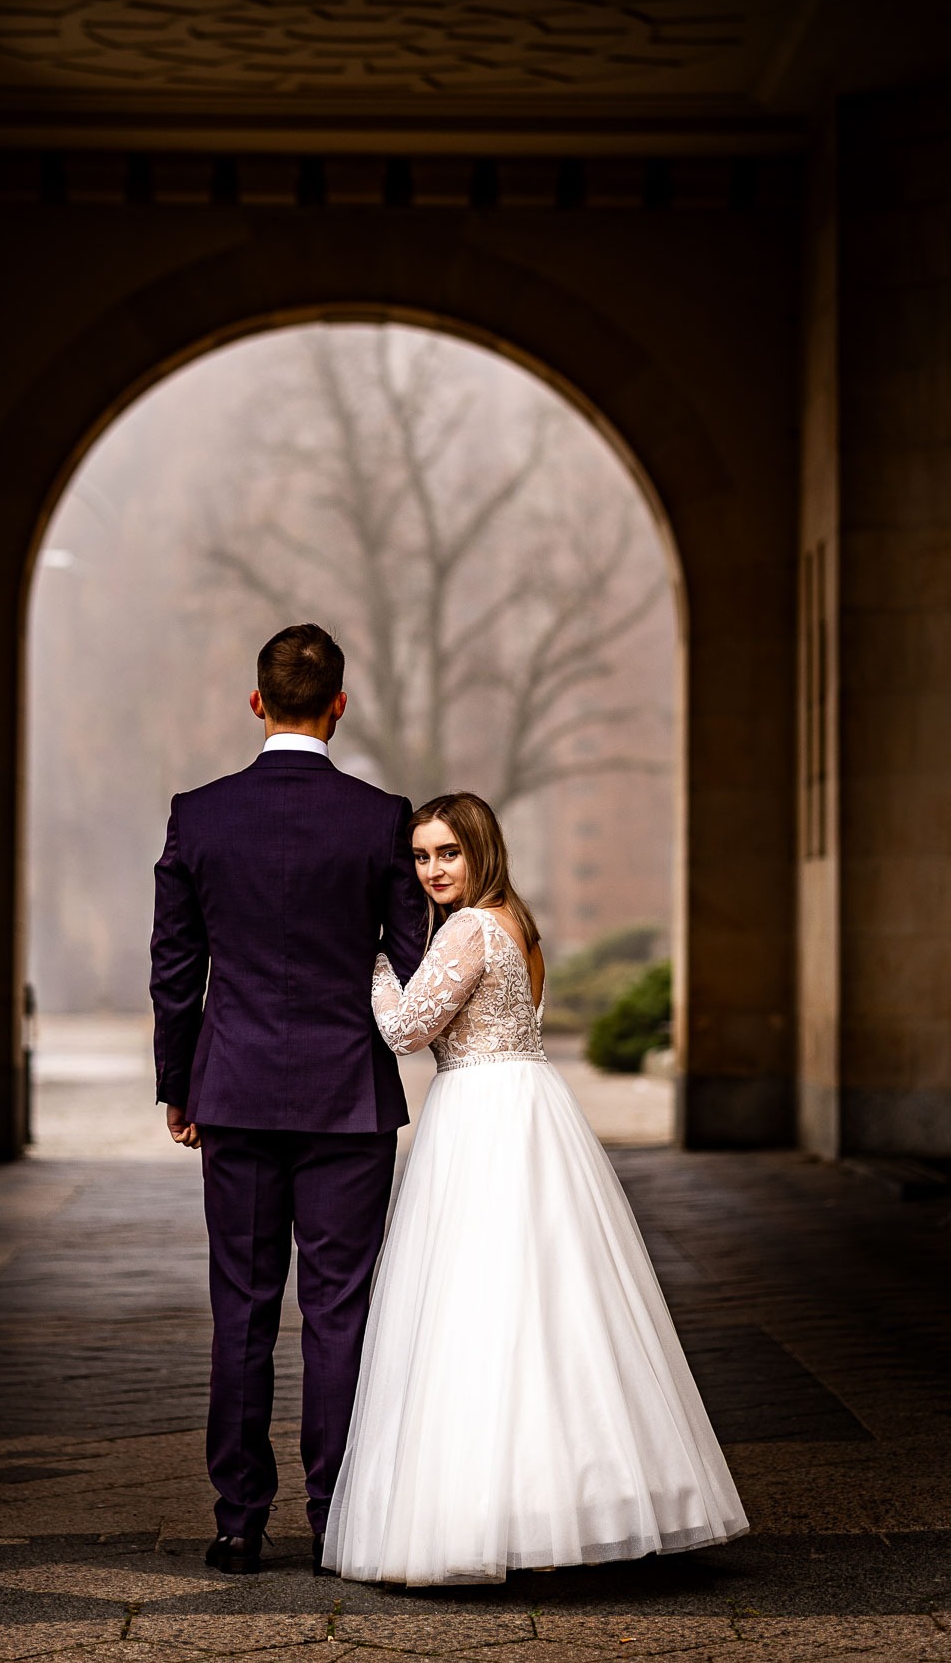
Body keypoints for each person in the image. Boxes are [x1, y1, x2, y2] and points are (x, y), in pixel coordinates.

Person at [323, 791, 748, 1587]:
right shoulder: (521, 922)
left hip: (482, 1116)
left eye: (447, 851)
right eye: (421, 855)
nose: (432, 869)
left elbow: (407, 1029)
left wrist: (378, 968)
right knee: (552, 1301)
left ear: (481, 849)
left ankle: (495, 1509)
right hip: (530, 1104)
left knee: (479, 1301)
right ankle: (577, 1503)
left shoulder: (470, 927)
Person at [150, 623, 429, 1575]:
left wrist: (178, 1083)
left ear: (257, 701)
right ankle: (335, 1512)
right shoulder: (380, 817)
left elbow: (175, 967)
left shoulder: (200, 816)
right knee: (339, 1311)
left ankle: (238, 1519)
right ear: (339, 704)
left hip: (232, 1089)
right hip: (348, 1095)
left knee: (242, 1306)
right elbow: (411, 959)